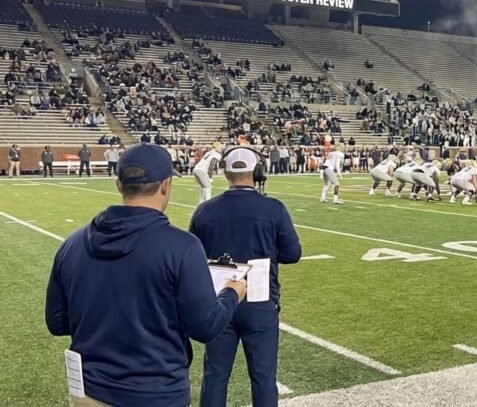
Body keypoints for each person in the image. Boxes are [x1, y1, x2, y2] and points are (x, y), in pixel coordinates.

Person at [45, 143, 246, 406]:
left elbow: (57, 322)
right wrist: (231, 293)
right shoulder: (182, 247)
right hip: (156, 393)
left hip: (90, 391)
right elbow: (205, 326)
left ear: (119, 185)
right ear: (166, 185)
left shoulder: (72, 244)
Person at [190, 147, 302, 407]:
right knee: (263, 378)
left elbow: (193, 257)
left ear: (225, 173)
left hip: (219, 300)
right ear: (258, 171)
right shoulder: (273, 208)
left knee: (215, 375)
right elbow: (292, 253)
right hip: (259, 299)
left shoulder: (205, 210)